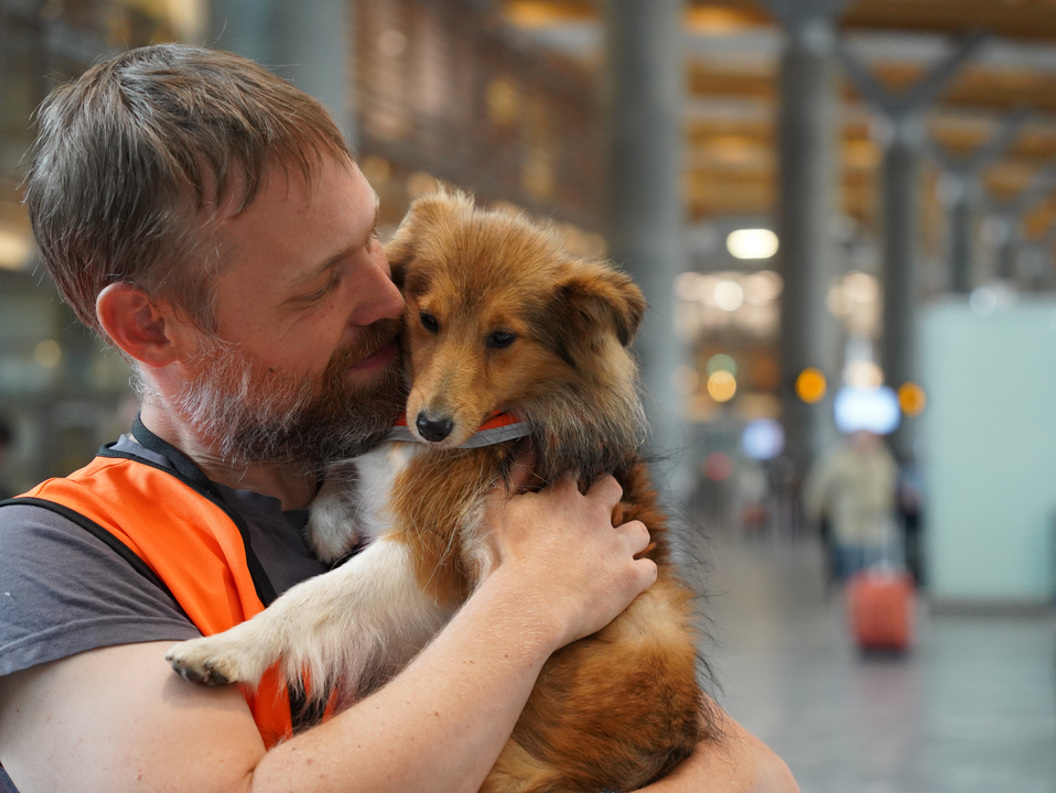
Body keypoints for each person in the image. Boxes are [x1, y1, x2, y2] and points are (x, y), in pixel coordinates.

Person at [0, 44, 798, 793]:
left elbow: (755, 775)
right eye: (319, 284)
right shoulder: (57, 561)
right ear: (150, 325)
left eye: (371, 243)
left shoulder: (497, 468)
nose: (391, 300)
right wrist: (529, 604)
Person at [803, 429, 899, 586]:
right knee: (852, 578)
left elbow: (890, 488)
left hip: (878, 530)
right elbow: (817, 489)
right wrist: (818, 515)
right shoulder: (838, 460)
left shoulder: (882, 459)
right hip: (849, 529)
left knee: (879, 578)